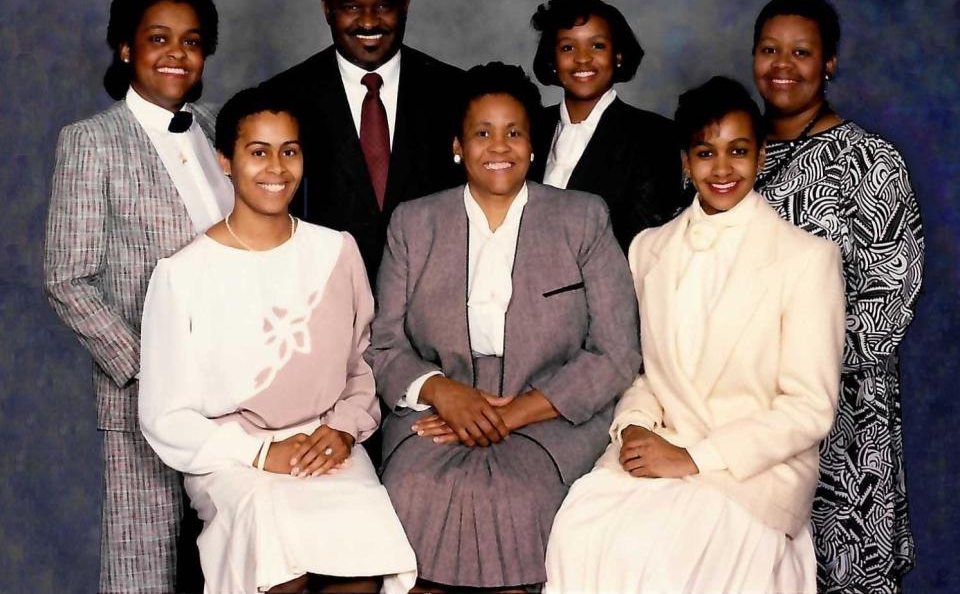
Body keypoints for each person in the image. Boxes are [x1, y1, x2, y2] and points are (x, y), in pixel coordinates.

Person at [545, 76, 845, 594]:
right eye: (706, 153)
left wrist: (693, 459)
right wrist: (635, 426)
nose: (723, 169)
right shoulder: (648, 249)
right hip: (662, 445)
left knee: (668, 559)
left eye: (739, 151)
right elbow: (640, 371)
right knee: (581, 529)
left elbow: (810, 407)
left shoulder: (805, 258)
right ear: (685, 160)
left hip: (751, 471)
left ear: (762, 155)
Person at [366, 62, 641, 591]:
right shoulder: (414, 223)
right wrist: (444, 393)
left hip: (550, 413)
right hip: (435, 412)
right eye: (482, 133)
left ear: (533, 145)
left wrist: (513, 414)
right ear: (457, 146)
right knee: (416, 487)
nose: (499, 146)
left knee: (521, 496)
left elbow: (615, 352)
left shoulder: (581, 218)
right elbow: (385, 344)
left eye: (514, 132)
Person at [138, 88, 417, 594]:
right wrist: (261, 454)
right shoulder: (182, 275)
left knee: (360, 569)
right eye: (258, 151)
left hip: (326, 443)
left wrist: (344, 432)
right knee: (278, 563)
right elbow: (165, 415)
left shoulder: (337, 252)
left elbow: (362, 367)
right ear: (225, 160)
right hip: (233, 457)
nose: (277, 167)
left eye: (290, 150)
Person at [43, 0, 234, 593]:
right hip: (142, 395)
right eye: (159, 38)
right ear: (126, 48)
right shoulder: (91, 142)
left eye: (192, 40)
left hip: (237, 389)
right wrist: (150, 366)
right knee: (144, 563)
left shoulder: (217, 132)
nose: (177, 53)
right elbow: (68, 278)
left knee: (235, 555)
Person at [751, 0, 924, 593]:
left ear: (829, 63)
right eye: (770, 49)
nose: (783, 65)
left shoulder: (871, 162)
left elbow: (887, 305)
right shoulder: (727, 157)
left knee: (839, 574)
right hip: (740, 414)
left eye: (802, 52)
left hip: (843, 419)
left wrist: (789, 375)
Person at [259, 0, 464, 283]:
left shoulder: (456, 93)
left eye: (384, 6)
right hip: (319, 303)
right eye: (351, 7)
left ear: (406, 7)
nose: (368, 22)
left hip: (437, 303)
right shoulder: (281, 99)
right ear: (327, 9)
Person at [529, 0, 681, 249]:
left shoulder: (655, 136)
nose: (583, 58)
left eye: (597, 45)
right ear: (552, 60)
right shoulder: (527, 128)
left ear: (618, 55)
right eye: (568, 47)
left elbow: (645, 244)